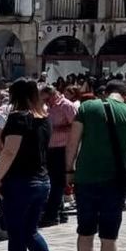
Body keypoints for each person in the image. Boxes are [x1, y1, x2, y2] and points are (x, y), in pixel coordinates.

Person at [66, 80, 126, 251]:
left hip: (85, 178)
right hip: (114, 181)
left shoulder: (87, 108)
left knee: (85, 232)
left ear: (106, 92)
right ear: (125, 96)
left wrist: (68, 170)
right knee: (109, 237)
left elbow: (72, 143)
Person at [0, 79, 53, 251]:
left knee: (16, 233)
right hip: (41, 180)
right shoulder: (44, 119)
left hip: (20, 182)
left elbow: (9, 151)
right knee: (30, 231)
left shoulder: (19, 118)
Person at [41, 84, 76, 226]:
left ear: (53, 95)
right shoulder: (47, 107)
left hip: (62, 147)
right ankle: (61, 212)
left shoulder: (66, 106)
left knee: (57, 183)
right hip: (48, 148)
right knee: (52, 182)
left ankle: (51, 214)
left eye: (46, 99)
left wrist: (56, 128)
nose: (45, 102)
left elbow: (76, 125)